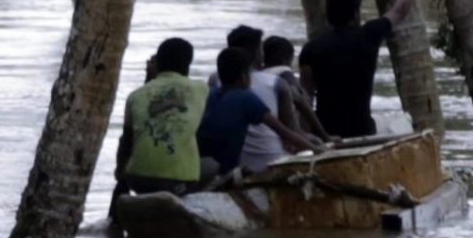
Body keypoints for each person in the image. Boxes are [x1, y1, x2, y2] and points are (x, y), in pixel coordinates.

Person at [299, 0, 424, 138]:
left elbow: (305, 98)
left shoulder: (311, 49)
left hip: (325, 131)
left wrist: (305, 137)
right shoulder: (369, 35)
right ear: (356, 14)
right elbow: (399, 10)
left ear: (328, 15)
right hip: (361, 128)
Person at [197, 47, 322, 178]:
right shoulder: (245, 97)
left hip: (202, 165)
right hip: (224, 171)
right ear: (244, 77)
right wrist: (319, 152)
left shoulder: (208, 94)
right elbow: (286, 133)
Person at [113, 37, 212, 196]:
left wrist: (120, 174)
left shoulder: (135, 95)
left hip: (138, 180)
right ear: (188, 63)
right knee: (212, 165)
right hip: (178, 180)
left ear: (158, 62)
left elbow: (126, 142)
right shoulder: (201, 89)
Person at [241, 35, 328, 175]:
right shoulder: (284, 73)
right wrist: (324, 136)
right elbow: (301, 102)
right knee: (316, 141)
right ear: (286, 59)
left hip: (260, 144)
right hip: (285, 137)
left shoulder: (255, 75)